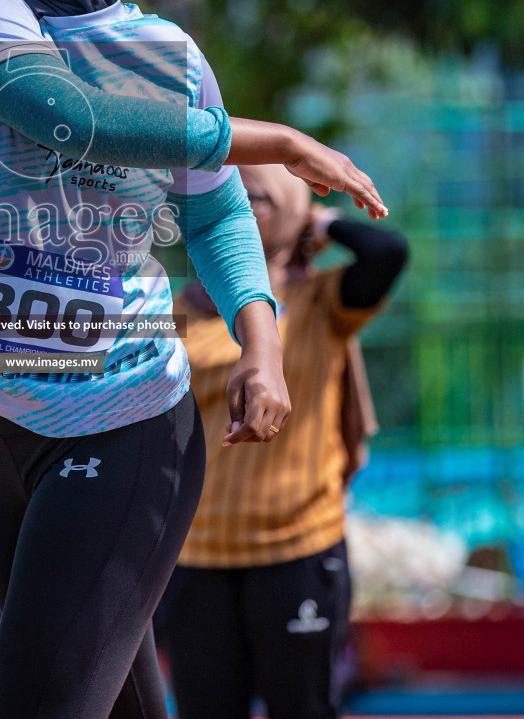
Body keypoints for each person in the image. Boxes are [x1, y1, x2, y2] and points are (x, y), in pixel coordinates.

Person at [0, 0, 386, 718]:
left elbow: (212, 213)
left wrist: (263, 346)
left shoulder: (168, 55)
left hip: (125, 427)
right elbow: (71, 120)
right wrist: (275, 140)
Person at [160, 165, 406, 719]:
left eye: (259, 198)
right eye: (231, 197)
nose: (242, 207)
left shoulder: (323, 299)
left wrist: (322, 221)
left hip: (297, 548)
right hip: (195, 556)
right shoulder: (173, 313)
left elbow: (387, 252)